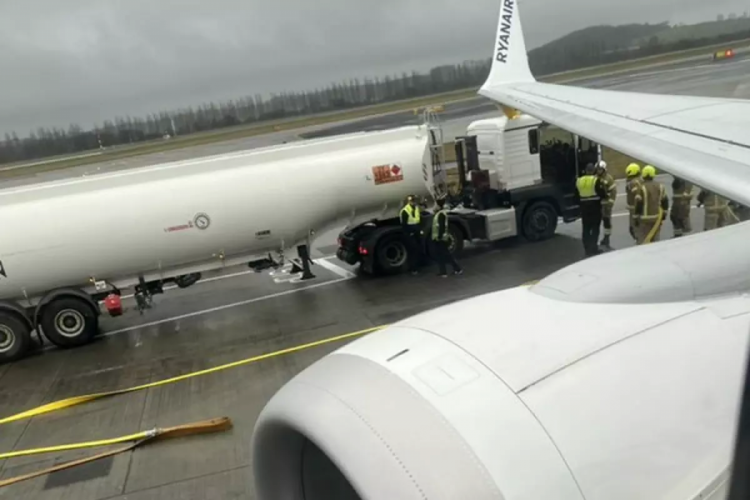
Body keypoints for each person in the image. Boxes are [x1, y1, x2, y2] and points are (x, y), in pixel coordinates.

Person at [576, 163, 607, 257]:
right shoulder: (595, 180)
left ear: (585, 170)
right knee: (595, 228)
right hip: (594, 207)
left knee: (586, 228)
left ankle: (587, 249)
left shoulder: (579, 181)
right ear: (593, 171)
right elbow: (602, 193)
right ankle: (593, 248)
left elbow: (576, 195)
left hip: (584, 208)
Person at [633, 165, 669, 244]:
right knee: (655, 240)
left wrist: (635, 217)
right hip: (656, 218)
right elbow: (665, 201)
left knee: (643, 240)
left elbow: (639, 203)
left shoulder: (641, 187)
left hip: (644, 219)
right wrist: (664, 214)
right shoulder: (660, 186)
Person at [431, 195, 463, 277]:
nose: (434, 206)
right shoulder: (439, 213)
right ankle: (444, 271)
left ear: (438, 206)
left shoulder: (441, 214)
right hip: (439, 238)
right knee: (441, 256)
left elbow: (441, 226)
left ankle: (456, 269)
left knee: (446, 255)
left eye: (435, 204)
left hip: (441, 239)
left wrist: (439, 236)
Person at [595, 160, 617, 249]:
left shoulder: (609, 179)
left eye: (600, 169)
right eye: (597, 169)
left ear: (604, 169)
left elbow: (613, 192)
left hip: (606, 204)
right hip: (597, 204)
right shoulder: (595, 178)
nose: (598, 171)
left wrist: (610, 204)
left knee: (606, 222)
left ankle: (606, 238)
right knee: (596, 222)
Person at [400, 195, 423, 274]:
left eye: (414, 201)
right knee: (413, 250)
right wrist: (409, 233)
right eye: (412, 201)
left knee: (418, 248)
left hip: (416, 231)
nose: (413, 202)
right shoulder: (405, 211)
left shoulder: (416, 208)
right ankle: (413, 268)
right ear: (408, 202)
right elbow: (404, 224)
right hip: (410, 232)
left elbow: (418, 219)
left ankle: (417, 266)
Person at [624, 163, 643, 241]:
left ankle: (640, 242)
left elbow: (637, 195)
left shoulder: (633, 183)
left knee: (634, 228)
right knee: (636, 228)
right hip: (637, 208)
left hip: (635, 209)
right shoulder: (640, 180)